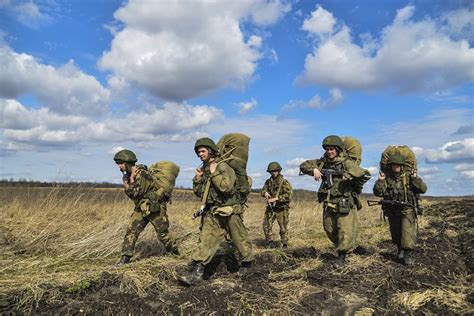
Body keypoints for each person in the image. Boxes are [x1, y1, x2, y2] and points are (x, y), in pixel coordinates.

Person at [178, 138, 254, 285]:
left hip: (230, 211)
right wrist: (198, 179)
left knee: (239, 238)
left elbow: (226, 188)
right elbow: (201, 194)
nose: (200, 154)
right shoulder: (207, 169)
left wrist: (215, 173)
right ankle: (197, 273)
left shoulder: (222, 167)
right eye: (198, 152)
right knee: (206, 240)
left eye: (202, 151)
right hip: (213, 211)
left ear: (211, 151)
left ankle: (248, 263)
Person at [300, 135, 370, 267]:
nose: (329, 151)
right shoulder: (322, 162)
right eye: (327, 149)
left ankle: (342, 255)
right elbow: (304, 165)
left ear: (338, 149)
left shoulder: (346, 162)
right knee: (329, 228)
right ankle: (346, 246)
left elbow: (362, 173)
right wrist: (314, 169)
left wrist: (349, 175)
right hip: (329, 201)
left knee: (345, 229)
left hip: (344, 201)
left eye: (332, 149)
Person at [114, 149, 178, 265]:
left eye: (121, 163)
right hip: (141, 207)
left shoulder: (142, 174)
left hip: (154, 208)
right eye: (118, 164)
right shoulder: (130, 175)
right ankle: (125, 258)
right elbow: (135, 195)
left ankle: (174, 252)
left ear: (128, 162)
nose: (119, 167)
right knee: (131, 231)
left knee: (162, 234)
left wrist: (128, 183)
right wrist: (129, 181)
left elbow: (135, 194)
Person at [373, 153, 427, 265]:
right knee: (396, 233)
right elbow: (378, 192)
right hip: (392, 210)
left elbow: (423, 189)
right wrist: (380, 181)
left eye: (398, 165)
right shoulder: (387, 178)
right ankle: (400, 250)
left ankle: (408, 253)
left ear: (402, 166)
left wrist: (415, 179)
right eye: (393, 165)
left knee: (407, 232)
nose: (395, 167)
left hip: (407, 209)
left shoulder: (409, 177)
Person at [261, 162, 293, 248]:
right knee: (266, 225)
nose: (273, 173)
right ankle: (269, 242)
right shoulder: (268, 182)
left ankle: (284, 244)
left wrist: (276, 199)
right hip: (271, 208)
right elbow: (263, 190)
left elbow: (289, 196)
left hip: (281, 208)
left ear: (279, 171)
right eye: (271, 171)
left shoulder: (284, 182)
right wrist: (265, 193)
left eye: (275, 171)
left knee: (283, 228)